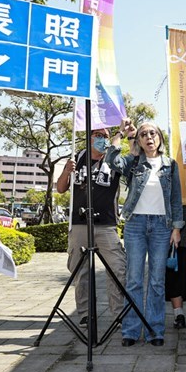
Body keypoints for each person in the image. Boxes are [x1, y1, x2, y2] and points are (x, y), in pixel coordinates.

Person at [105, 120, 183, 347]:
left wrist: (176, 228)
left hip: (162, 226)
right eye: (143, 134)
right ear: (138, 141)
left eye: (153, 133)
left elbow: (176, 198)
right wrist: (120, 133)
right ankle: (130, 330)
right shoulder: (134, 162)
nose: (149, 137)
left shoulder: (170, 164)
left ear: (159, 137)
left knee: (158, 281)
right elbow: (112, 160)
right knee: (134, 280)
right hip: (135, 225)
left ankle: (154, 330)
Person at [56, 127, 127, 327]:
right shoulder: (77, 157)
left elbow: (123, 156)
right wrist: (66, 171)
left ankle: (118, 314)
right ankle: (86, 313)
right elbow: (61, 188)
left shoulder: (113, 159)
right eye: (98, 135)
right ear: (89, 137)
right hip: (79, 224)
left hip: (106, 224)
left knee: (117, 268)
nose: (102, 139)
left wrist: (119, 136)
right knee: (80, 271)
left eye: (106, 136)